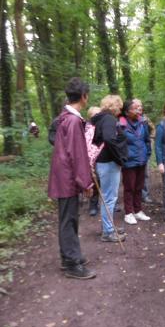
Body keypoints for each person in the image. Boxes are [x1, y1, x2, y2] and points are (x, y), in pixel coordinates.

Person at [48, 77, 96, 279]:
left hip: (64, 175)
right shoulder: (73, 120)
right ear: (84, 97)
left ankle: (68, 255)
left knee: (68, 218)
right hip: (66, 177)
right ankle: (71, 263)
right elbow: (77, 154)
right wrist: (85, 182)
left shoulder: (64, 117)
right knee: (69, 219)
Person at [92, 95, 127, 242]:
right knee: (109, 198)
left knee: (108, 197)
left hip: (102, 162)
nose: (121, 109)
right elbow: (108, 139)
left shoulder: (99, 118)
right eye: (119, 106)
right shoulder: (109, 119)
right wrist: (119, 158)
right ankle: (108, 232)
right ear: (115, 106)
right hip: (108, 162)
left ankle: (109, 226)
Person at [120, 99, 151, 225]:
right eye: (134, 108)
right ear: (127, 112)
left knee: (139, 186)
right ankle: (128, 213)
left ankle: (138, 211)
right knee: (129, 187)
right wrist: (123, 157)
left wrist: (147, 153)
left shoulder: (142, 122)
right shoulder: (121, 124)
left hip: (142, 160)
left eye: (139, 107)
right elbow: (119, 143)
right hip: (129, 161)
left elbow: (147, 140)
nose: (138, 109)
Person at [85, 106, 103, 217]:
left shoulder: (103, 126)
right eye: (94, 114)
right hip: (91, 158)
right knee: (94, 181)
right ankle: (93, 204)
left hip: (103, 157)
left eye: (99, 114)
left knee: (106, 181)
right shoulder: (86, 128)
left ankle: (111, 204)